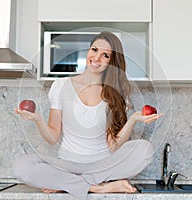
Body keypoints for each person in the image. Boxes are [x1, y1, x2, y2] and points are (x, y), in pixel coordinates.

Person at [13, 31, 163, 200]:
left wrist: (134, 119)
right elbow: (53, 137)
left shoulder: (115, 94)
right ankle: (97, 188)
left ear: (112, 62)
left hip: (102, 167)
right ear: (88, 50)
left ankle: (70, 184)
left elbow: (113, 147)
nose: (97, 58)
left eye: (105, 55)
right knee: (22, 165)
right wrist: (38, 119)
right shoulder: (61, 86)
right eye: (94, 50)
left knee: (144, 150)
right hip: (67, 165)